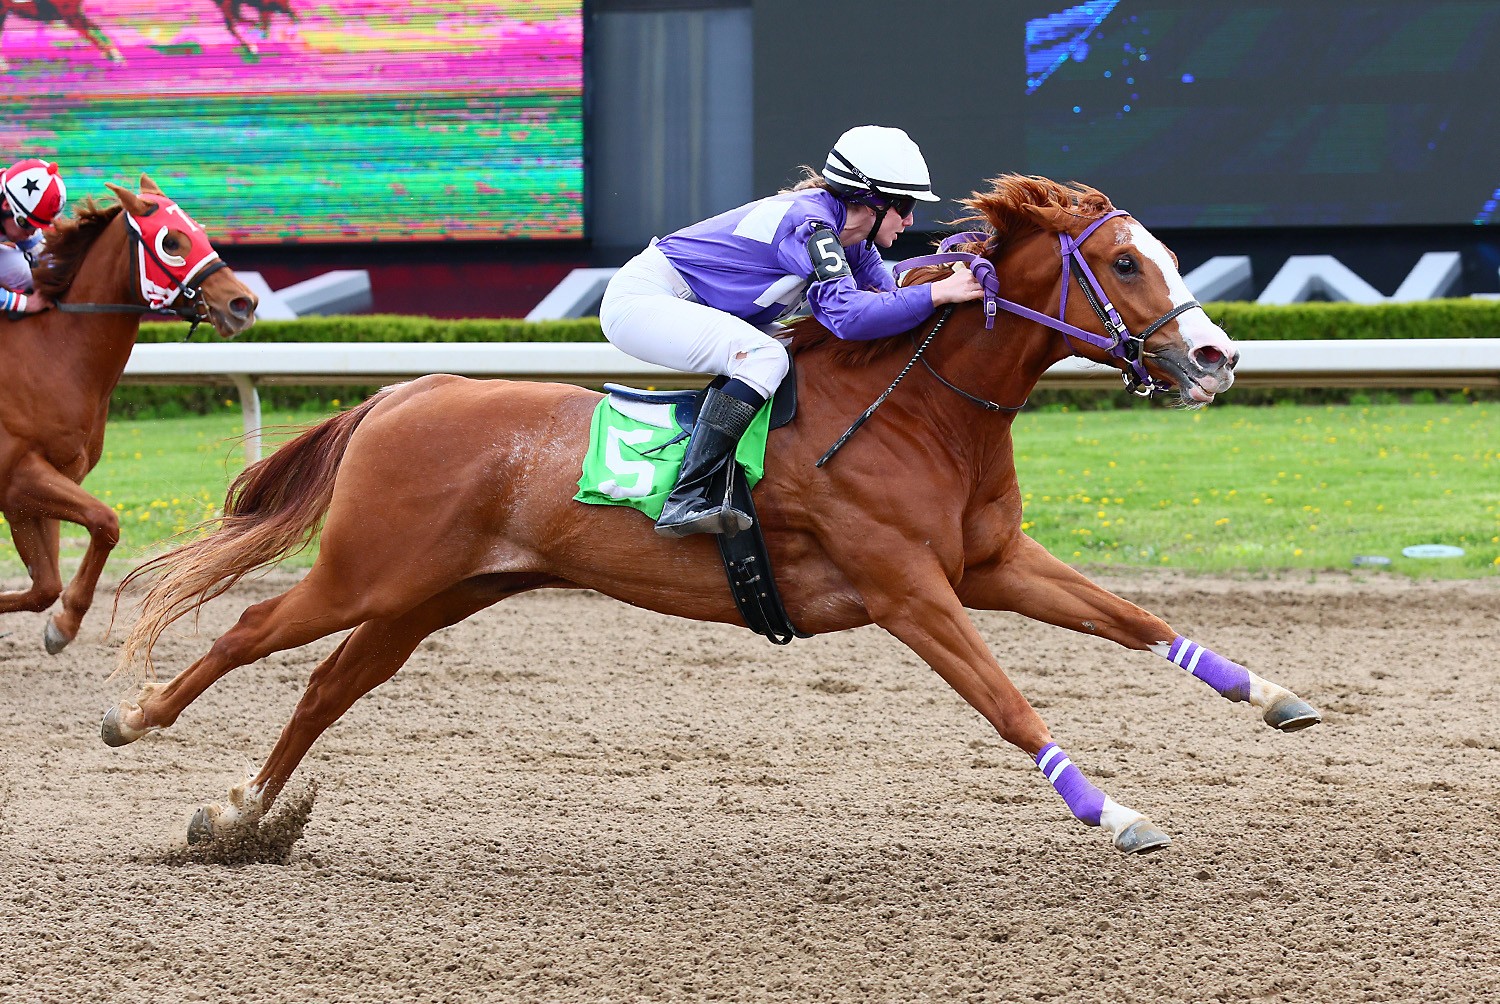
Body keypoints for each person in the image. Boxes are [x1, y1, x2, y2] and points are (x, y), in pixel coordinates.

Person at [601, 125, 984, 538]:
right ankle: (686, 496)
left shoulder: (854, 241)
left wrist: (945, 286)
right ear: (870, 202)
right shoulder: (811, 227)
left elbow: (887, 304)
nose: (910, 220)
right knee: (765, 357)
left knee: (804, 353)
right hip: (647, 299)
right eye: (904, 206)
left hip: (697, 304)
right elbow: (849, 316)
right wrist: (938, 293)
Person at [0, 158, 67, 316]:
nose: (32, 232)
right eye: (28, 225)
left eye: (39, 226)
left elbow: (42, 255)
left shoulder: (12, 199)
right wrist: (25, 304)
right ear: (7, 206)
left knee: (23, 270)